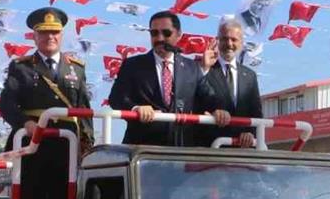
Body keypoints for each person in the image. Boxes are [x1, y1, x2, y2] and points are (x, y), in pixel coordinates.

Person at [0, 7, 92, 199]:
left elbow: (84, 107)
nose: (50, 37)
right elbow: (6, 103)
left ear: (62, 35)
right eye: (44, 33)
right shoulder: (22, 67)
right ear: (34, 37)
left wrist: (88, 144)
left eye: (55, 32)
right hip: (34, 145)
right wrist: (24, 123)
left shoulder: (76, 68)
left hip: (67, 148)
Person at [107, 10, 201, 146]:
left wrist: (218, 110)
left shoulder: (192, 68)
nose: (160, 38)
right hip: (142, 150)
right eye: (154, 33)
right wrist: (136, 108)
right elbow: (116, 98)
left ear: (179, 35)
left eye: (166, 33)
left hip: (180, 151)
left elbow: (206, 98)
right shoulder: (133, 65)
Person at [194, 20, 263, 148]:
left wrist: (250, 133)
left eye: (234, 39)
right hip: (209, 148)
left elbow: (256, 113)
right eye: (225, 39)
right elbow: (194, 100)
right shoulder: (203, 68)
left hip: (241, 150)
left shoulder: (249, 76)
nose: (229, 44)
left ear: (241, 43)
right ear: (217, 40)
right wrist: (203, 69)